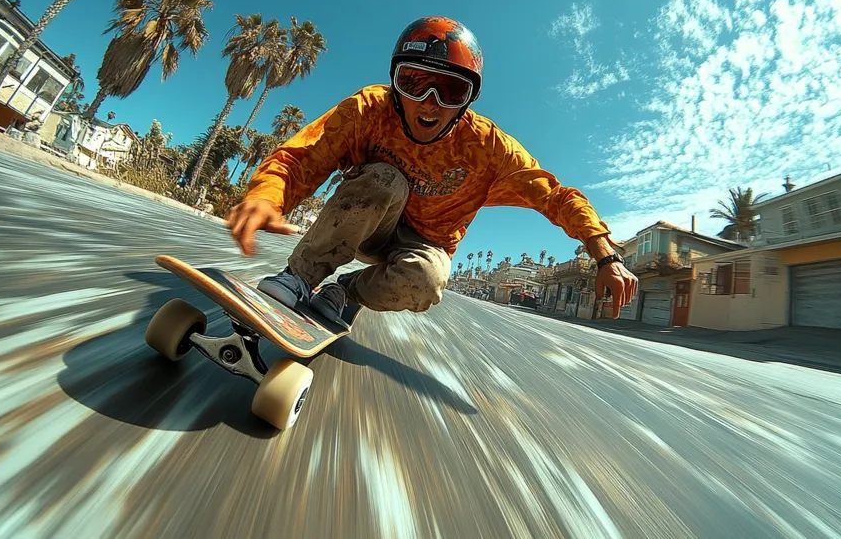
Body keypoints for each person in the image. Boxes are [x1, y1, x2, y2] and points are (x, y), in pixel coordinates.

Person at [225, 16, 638, 324]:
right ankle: (298, 277)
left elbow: (556, 196)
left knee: (428, 279)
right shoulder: (369, 110)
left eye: (451, 90)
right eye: (415, 83)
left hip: (420, 246)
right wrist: (266, 196)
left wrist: (605, 256)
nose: (431, 102)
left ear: (467, 100)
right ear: (395, 82)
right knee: (385, 179)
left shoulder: (489, 150)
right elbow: (304, 156)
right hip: (367, 222)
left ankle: (344, 292)